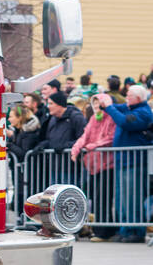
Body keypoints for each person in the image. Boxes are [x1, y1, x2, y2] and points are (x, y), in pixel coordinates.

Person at [100, 85, 153, 243]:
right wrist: (104, 102)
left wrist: (109, 106)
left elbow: (124, 122)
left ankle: (135, 231)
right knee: (121, 199)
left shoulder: (143, 112)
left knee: (133, 198)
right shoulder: (129, 108)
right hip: (123, 160)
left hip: (135, 161)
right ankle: (124, 229)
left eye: (129, 96)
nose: (126, 98)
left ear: (138, 98)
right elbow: (115, 108)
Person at [71, 94, 116, 241]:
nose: (96, 107)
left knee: (103, 198)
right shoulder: (92, 119)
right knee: (96, 199)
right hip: (93, 165)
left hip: (107, 164)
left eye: (99, 104)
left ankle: (104, 232)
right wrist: (76, 148)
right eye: (94, 104)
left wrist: (93, 145)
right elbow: (85, 136)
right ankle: (98, 230)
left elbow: (110, 137)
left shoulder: (110, 118)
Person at [35, 92, 87, 185]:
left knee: (68, 195)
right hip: (54, 165)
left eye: (51, 103)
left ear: (59, 105)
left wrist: (65, 146)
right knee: (55, 195)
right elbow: (50, 138)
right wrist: (43, 144)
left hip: (70, 166)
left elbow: (84, 138)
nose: (48, 106)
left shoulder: (75, 117)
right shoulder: (53, 119)